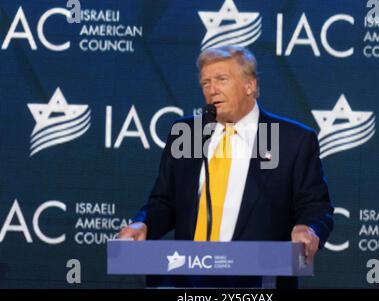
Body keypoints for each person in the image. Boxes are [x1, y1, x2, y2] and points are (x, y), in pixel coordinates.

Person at [118, 45, 333, 288]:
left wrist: (308, 229)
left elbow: (315, 205)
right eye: (205, 83)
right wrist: (143, 223)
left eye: (221, 79)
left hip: (257, 283)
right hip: (187, 280)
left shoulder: (291, 139)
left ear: (250, 85)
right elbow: (164, 201)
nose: (212, 90)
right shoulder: (188, 133)